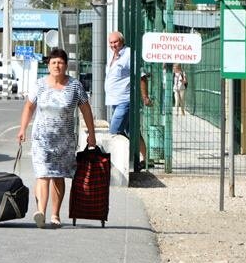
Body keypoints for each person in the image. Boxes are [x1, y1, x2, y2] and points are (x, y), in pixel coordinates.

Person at [17, 47, 96, 229]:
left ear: (66, 65)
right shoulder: (39, 85)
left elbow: (86, 110)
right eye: (53, 62)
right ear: (49, 65)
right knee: (43, 174)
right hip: (41, 140)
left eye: (60, 62)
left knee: (58, 176)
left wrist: (91, 134)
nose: (57, 65)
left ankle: (55, 214)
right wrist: (22, 129)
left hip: (64, 141)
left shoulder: (75, 86)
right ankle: (41, 213)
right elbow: (29, 107)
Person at [105, 31, 150, 169]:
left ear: (122, 41)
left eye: (116, 42)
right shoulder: (112, 55)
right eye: (111, 43)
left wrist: (145, 96)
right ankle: (145, 159)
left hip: (125, 100)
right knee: (133, 131)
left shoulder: (129, 54)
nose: (113, 45)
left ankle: (115, 163)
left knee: (114, 131)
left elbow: (141, 76)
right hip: (114, 100)